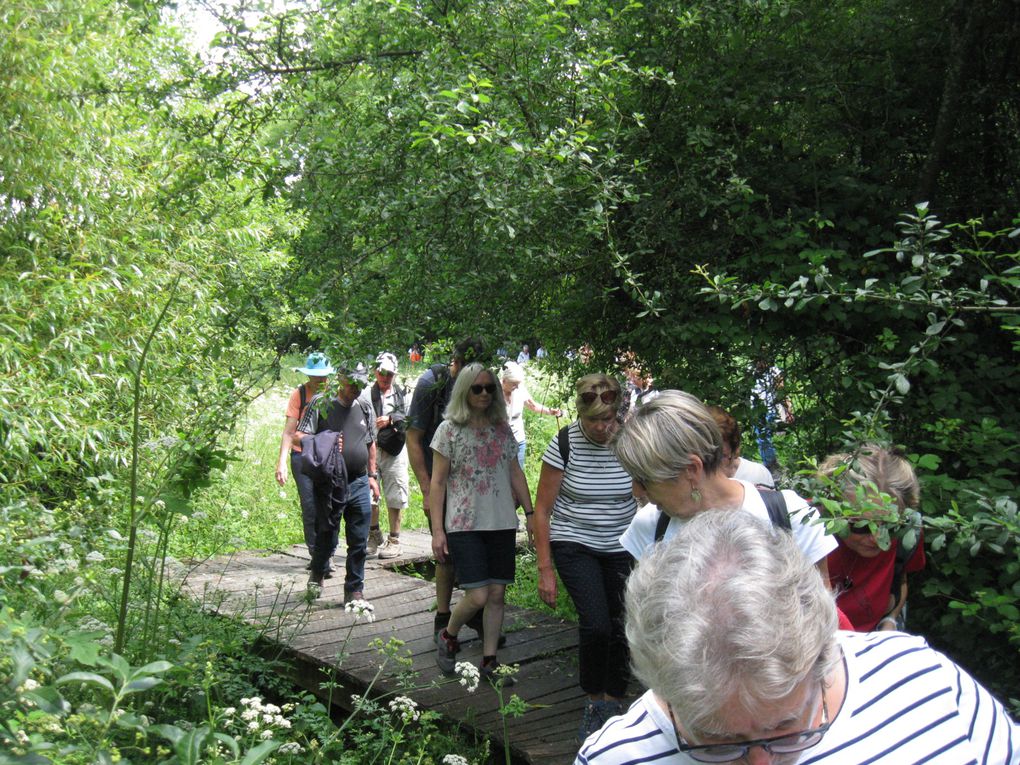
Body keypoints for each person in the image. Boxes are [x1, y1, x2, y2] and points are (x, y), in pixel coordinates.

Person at [576, 511, 1020, 764]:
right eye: (718, 741)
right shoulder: (615, 758)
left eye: (786, 729)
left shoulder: (926, 685)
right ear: (662, 688)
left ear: (825, 654)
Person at [612, 391, 835, 574]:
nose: (636, 491)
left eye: (644, 479)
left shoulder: (790, 515)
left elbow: (821, 620)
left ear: (691, 468)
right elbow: (646, 620)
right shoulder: (649, 526)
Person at [532, 374, 638, 741]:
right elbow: (542, 509)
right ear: (581, 414)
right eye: (594, 420)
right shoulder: (564, 442)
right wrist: (545, 568)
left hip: (622, 543)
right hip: (574, 541)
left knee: (623, 622)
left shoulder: (632, 441)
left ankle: (614, 700)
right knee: (596, 625)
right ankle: (595, 701)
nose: (602, 428)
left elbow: (647, 495)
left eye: (608, 420)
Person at [431, 363, 533, 684]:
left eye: (490, 388)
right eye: (477, 388)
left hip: (501, 521)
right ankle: (449, 636)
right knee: (477, 596)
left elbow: (515, 472)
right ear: (464, 391)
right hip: (464, 523)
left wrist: (530, 515)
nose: (485, 394)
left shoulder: (502, 429)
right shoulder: (448, 431)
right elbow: (437, 483)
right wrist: (437, 531)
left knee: (497, 596)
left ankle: (490, 661)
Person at [406, 337, 490, 640]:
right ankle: (442, 616)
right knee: (445, 553)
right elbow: (413, 439)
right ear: (453, 363)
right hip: (440, 482)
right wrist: (427, 490)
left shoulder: (483, 385)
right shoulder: (432, 383)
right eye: (461, 367)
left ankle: (477, 616)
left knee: (479, 549)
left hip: (475, 488)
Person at [820, 445, 926, 632]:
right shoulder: (807, 529)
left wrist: (891, 619)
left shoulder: (907, 532)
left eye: (889, 525)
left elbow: (900, 579)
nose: (877, 538)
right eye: (861, 525)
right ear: (832, 510)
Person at [296, 365, 379, 602]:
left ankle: (354, 590)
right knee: (327, 533)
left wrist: (372, 476)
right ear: (340, 379)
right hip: (330, 482)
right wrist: (328, 441)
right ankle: (317, 573)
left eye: (360, 383)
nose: (356, 387)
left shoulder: (364, 404)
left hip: (359, 480)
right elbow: (299, 436)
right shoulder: (322, 402)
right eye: (351, 381)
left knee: (359, 538)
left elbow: (370, 442)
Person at [275, 352, 333, 569]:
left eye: (324, 376)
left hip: (327, 458)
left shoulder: (335, 394)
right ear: (308, 375)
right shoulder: (299, 395)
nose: (320, 380)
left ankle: (327, 553)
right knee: (309, 506)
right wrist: (281, 463)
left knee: (327, 506)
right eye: (315, 375)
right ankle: (317, 556)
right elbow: (289, 432)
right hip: (302, 456)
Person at [361, 352, 410, 559]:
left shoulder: (404, 394)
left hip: (395, 451)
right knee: (370, 494)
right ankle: (373, 534)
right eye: (381, 372)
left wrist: (391, 419)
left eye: (389, 373)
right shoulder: (364, 394)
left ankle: (394, 539)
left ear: (394, 375)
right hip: (370, 449)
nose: (385, 377)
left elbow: (412, 420)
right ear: (375, 371)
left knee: (395, 494)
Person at [500, 360, 562, 469]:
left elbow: (533, 406)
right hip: (499, 442)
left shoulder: (520, 389)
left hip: (519, 440)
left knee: (518, 473)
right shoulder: (493, 393)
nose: (517, 387)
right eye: (514, 384)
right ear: (504, 381)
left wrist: (550, 411)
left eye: (518, 384)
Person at [706, 405, 774, 488]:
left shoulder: (756, 475)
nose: (713, 464)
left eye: (721, 455)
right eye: (707, 456)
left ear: (733, 449)